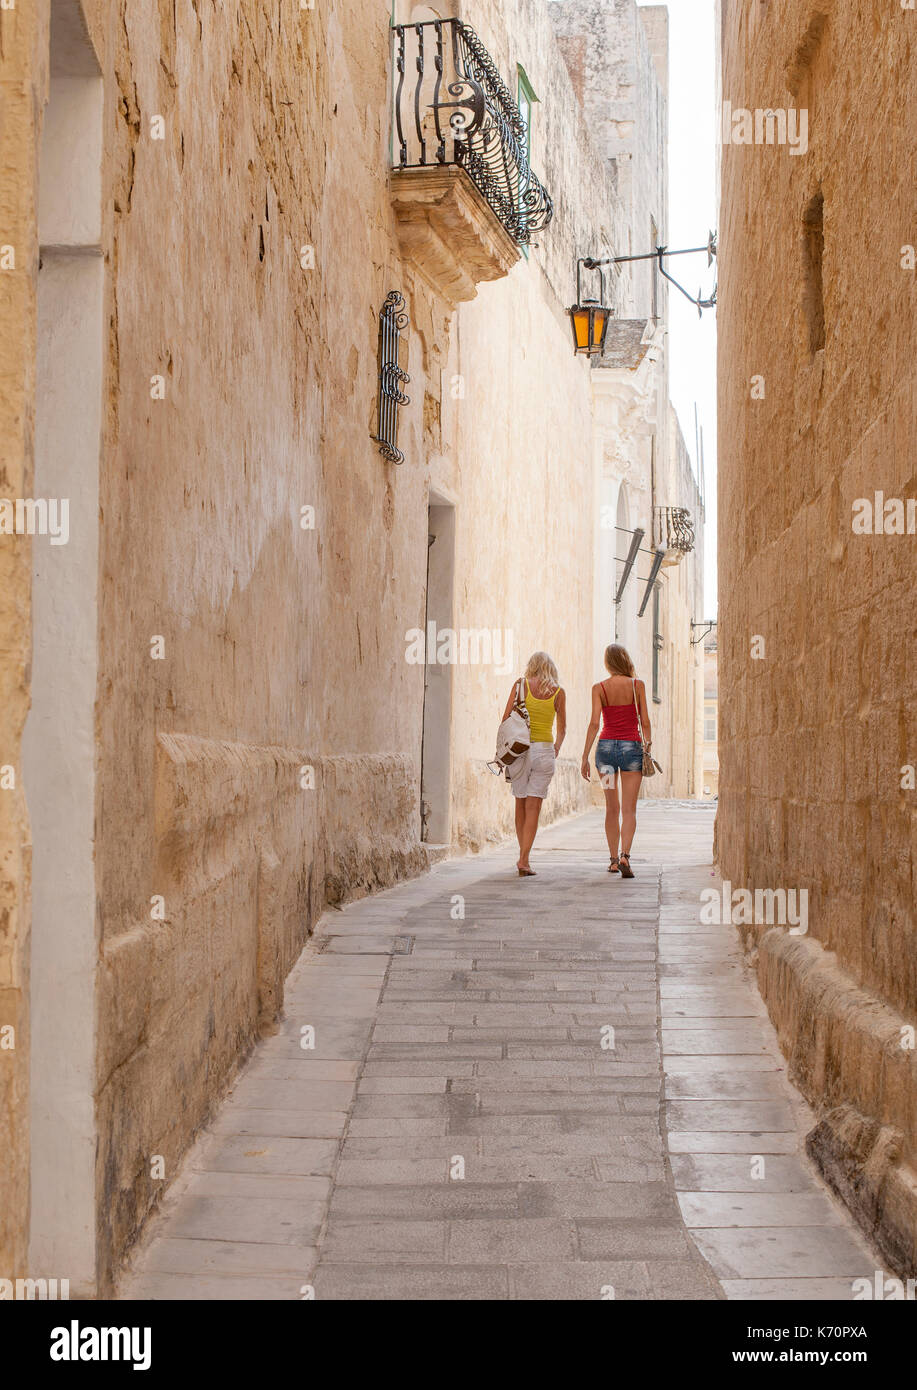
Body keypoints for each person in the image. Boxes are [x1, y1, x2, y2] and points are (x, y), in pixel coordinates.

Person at [580, 643, 651, 879]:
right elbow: (645, 721)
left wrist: (585, 756)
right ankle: (625, 856)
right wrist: (647, 747)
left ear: (608, 663)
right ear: (625, 660)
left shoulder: (599, 688)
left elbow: (593, 723)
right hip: (631, 750)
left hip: (606, 751)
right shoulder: (637, 685)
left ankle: (612, 861)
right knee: (629, 809)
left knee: (612, 808)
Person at [501, 651, 566, 876]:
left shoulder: (520, 685)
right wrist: (556, 747)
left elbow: (506, 717)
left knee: (520, 803)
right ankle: (524, 859)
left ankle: (523, 856)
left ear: (532, 666)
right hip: (544, 750)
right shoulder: (558, 692)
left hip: (520, 749)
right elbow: (563, 727)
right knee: (534, 807)